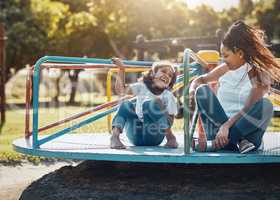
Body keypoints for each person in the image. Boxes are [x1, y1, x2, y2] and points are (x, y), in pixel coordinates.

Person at [189, 21, 280, 153]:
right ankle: (235, 141)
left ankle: (218, 144)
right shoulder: (224, 69)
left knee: (266, 105)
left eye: (226, 55)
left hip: (248, 139)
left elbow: (248, 108)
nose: (223, 59)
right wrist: (192, 91)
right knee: (202, 91)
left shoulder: (257, 72)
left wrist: (227, 126)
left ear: (240, 53)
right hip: (218, 132)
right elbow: (200, 80)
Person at [110, 58, 179, 149]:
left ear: (169, 83)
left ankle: (171, 138)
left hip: (154, 135)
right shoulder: (142, 87)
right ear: (152, 74)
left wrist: (161, 109)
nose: (166, 75)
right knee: (126, 103)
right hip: (135, 135)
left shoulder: (168, 96)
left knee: (149, 104)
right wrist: (121, 69)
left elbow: (170, 121)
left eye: (170, 76)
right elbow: (121, 90)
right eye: (163, 71)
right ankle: (114, 138)